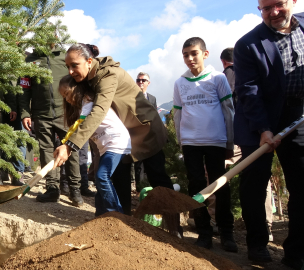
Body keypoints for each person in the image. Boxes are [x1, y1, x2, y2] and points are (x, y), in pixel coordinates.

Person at [52, 43, 174, 216]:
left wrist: (70, 145)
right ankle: (119, 226)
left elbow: (99, 111)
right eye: (67, 67)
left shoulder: (107, 75)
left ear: (89, 61)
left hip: (144, 130)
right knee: (118, 182)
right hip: (121, 137)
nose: (70, 71)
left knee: (158, 179)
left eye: (74, 65)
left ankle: (174, 226)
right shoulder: (85, 80)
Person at [234, 0, 304, 267]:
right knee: (254, 183)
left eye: (278, 4)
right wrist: (264, 129)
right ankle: (257, 244)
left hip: (297, 113)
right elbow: (249, 91)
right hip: (258, 116)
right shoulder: (248, 44)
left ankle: (296, 253)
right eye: (265, 8)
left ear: (293, 2)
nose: (273, 12)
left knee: (301, 183)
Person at [173, 37, 237, 252]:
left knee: (221, 186)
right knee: (196, 186)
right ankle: (204, 232)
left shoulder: (218, 78)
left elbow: (228, 110)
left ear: (205, 54)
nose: (190, 58)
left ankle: (227, 233)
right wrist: (181, 141)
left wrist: (229, 141)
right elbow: (178, 114)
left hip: (216, 141)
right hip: (191, 143)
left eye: (194, 53)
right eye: (185, 55)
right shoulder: (179, 83)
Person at [19, 47, 85, 207]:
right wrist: (25, 113)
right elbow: (24, 89)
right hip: (41, 114)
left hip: (66, 112)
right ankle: (52, 189)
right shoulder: (29, 60)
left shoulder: (65, 56)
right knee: (46, 150)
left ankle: (75, 189)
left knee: (72, 148)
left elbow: (79, 79)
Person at [59, 75, 131, 215]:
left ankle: (116, 214)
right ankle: (100, 216)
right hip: (105, 147)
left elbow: (80, 126)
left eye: (67, 94)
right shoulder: (82, 108)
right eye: (64, 97)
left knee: (102, 176)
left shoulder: (89, 103)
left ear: (77, 89)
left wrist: (66, 145)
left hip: (117, 142)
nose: (66, 99)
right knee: (101, 181)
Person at [134, 72, 157, 192]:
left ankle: (150, 191)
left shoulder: (152, 98)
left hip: (150, 135)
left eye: (143, 80)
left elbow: (155, 116)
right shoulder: (131, 96)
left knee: (151, 164)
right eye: (138, 80)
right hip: (137, 134)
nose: (140, 82)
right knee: (139, 165)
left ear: (149, 82)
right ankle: (139, 192)